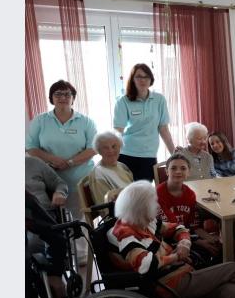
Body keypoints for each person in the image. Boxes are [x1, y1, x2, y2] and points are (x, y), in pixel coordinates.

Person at [27, 79, 97, 219]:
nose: (63, 97)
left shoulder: (86, 122)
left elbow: (93, 148)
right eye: (58, 94)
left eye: (67, 94)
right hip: (50, 181)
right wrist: (53, 159)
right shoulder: (40, 121)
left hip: (81, 181)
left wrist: (70, 162)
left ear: (73, 98)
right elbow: (31, 147)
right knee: (55, 221)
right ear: (51, 98)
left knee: (82, 221)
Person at [113, 64, 176, 182]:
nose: (143, 80)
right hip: (126, 154)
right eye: (138, 77)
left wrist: (174, 154)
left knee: (143, 191)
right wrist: (111, 156)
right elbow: (118, 132)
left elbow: (163, 129)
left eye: (146, 77)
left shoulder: (159, 100)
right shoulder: (123, 101)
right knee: (125, 191)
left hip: (149, 155)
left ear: (151, 79)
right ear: (132, 79)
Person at [156, 154, 222, 261]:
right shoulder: (157, 194)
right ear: (167, 171)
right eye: (173, 168)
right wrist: (198, 242)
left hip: (187, 235)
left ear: (188, 172)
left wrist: (211, 239)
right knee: (201, 255)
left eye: (183, 168)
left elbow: (193, 226)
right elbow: (171, 230)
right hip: (165, 240)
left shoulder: (190, 194)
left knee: (217, 248)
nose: (178, 171)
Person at [88, 131, 134, 204]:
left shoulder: (122, 166)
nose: (110, 150)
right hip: (120, 209)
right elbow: (105, 206)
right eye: (105, 148)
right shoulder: (98, 174)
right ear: (99, 151)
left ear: (120, 147)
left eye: (114, 146)